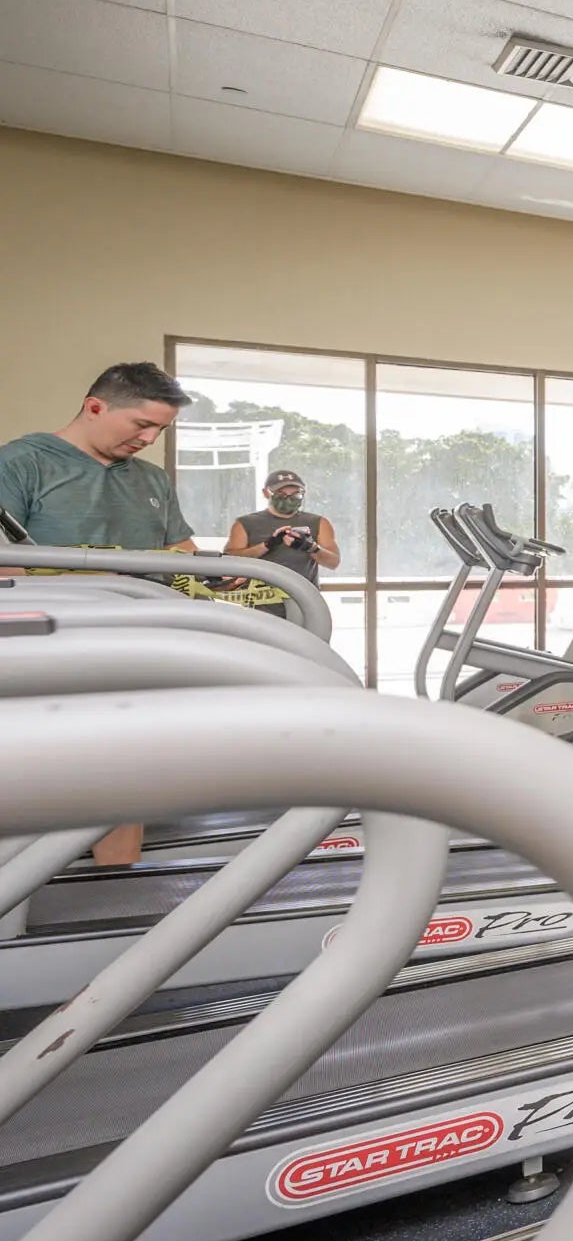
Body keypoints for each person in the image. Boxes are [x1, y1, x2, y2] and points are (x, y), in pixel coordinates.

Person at [0, 362, 198, 866]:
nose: (149, 439)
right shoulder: (20, 463)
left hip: (138, 642)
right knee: (52, 774)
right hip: (49, 645)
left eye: (160, 430)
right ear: (95, 407)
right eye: (142, 424)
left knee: (124, 771)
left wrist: (215, 577)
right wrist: (91, 579)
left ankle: (117, 884)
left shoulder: (152, 478)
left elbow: (182, 551)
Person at [224, 467, 338, 615]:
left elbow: (333, 562)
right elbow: (229, 561)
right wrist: (267, 545)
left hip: (304, 603)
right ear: (266, 493)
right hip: (260, 605)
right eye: (281, 494)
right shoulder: (245, 523)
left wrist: (310, 547)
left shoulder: (318, 522)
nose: (288, 499)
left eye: (295, 494)